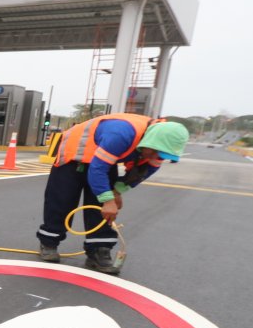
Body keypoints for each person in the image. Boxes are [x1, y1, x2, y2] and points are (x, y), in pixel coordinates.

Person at [36, 114, 188, 274]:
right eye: (157, 153)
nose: (157, 158)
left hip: (104, 159)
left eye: (164, 156)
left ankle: (99, 250)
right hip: (74, 155)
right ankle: (49, 242)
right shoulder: (121, 133)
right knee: (62, 200)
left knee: (100, 207)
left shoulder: (156, 148)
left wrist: (117, 191)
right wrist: (108, 200)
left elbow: (144, 170)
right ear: (152, 142)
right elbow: (97, 168)